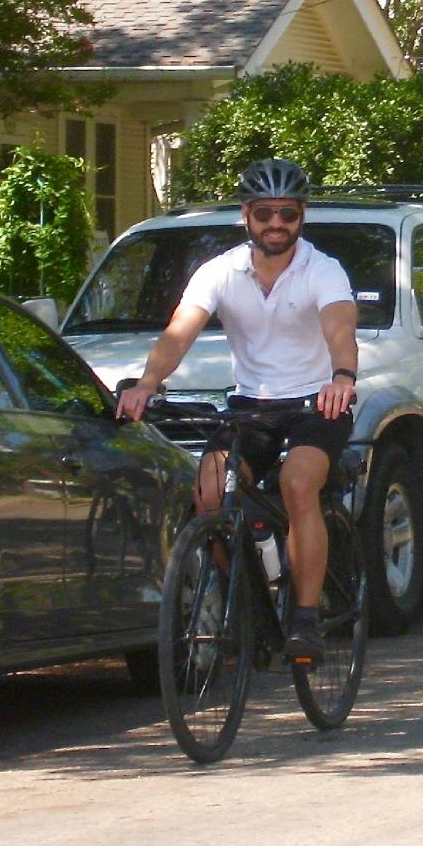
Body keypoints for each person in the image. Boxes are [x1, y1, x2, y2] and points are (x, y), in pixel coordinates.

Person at [115, 158, 359, 661]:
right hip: (252, 406)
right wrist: (147, 383)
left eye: (287, 213)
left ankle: (306, 620)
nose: (276, 224)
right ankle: (242, 598)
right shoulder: (220, 271)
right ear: (246, 215)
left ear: (302, 216)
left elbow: (340, 329)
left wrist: (342, 378)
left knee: (297, 483)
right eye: (265, 212)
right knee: (209, 493)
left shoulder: (323, 270)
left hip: (317, 403)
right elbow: (179, 332)